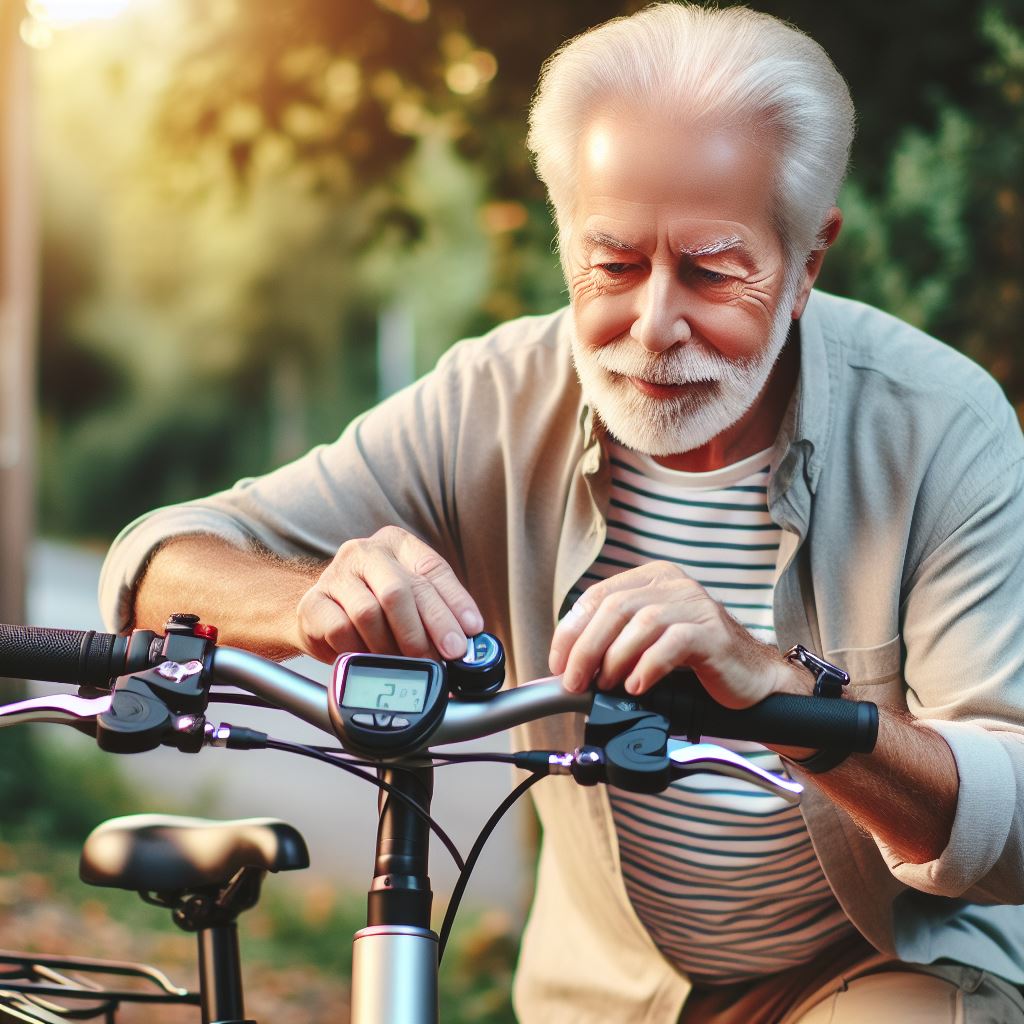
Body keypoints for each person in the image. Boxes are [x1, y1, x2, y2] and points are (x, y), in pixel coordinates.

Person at [99, 5, 1024, 1022]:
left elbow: (1011, 817)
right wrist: (311, 593)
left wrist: (779, 693)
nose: (655, 323)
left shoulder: (940, 427)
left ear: (806, 263)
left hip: (873, 964)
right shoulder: (493, 398)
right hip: (606, 994)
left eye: (712, 269)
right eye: (613, 263)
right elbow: (155, 565)